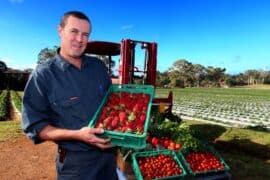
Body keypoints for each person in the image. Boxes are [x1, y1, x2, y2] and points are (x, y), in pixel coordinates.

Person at [22, 11, 118, 180]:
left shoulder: (98, 67)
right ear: (60, 30)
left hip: (108, 160)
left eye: (85, 34)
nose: (80, 39)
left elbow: (112, 105)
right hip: (75, 166)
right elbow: (35, 126)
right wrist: (76, 135)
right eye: (74, 31)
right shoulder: (44, 75)